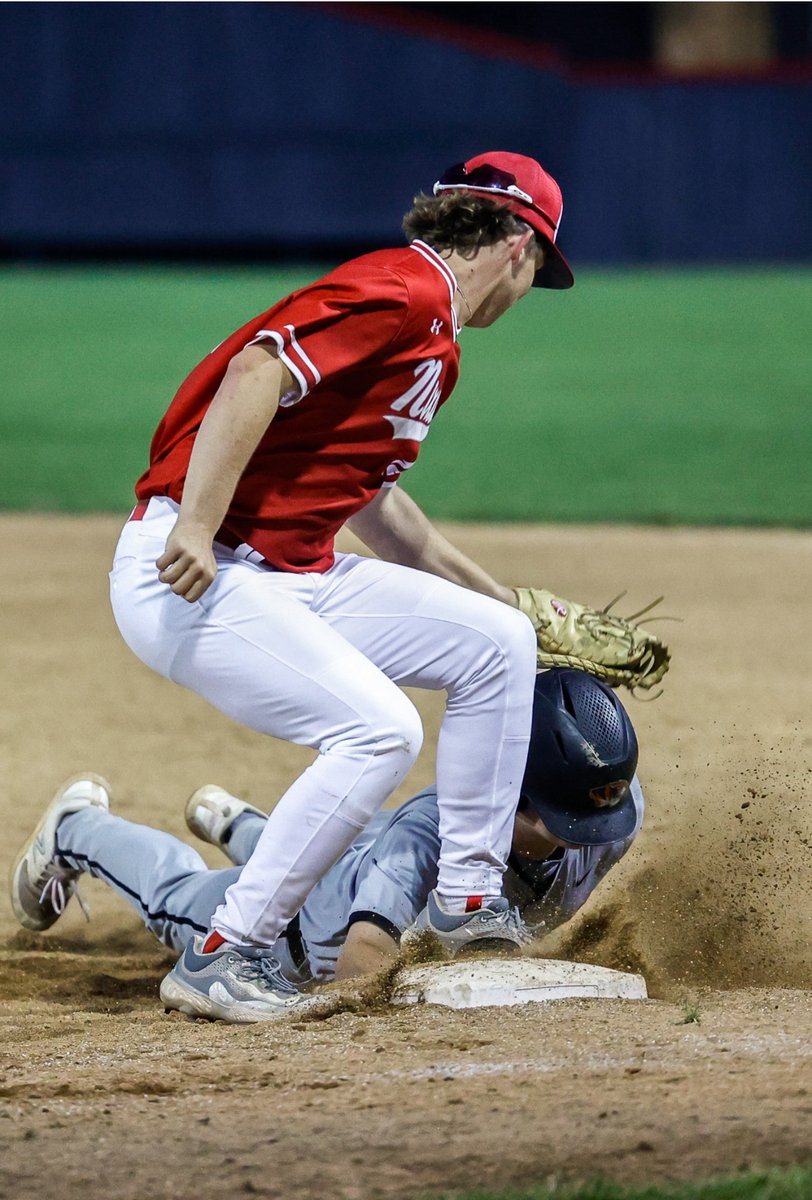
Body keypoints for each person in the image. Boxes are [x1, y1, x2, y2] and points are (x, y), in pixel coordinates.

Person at [106, 150, 581, 1020]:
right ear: (519, 244)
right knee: (379, 732)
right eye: (540, 270)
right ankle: (225, 952)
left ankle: (469, 902)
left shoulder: (435, 332)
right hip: (191, 574)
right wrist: (197, 526)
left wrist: (505, 599)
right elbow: (257, 370)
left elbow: (376, 505)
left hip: (288, 574)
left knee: (496, 644)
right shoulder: (405, 292)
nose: (529, 291)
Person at [11, 670, 643, 1023]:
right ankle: (76, 828)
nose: (589, 838)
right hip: (297, 925)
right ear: (505, 791)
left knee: (356, 845)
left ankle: (244, 825)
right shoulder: (430, 833)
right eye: (563, 821)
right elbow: (359, 957)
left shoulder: (613, 806)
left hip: (365, 853)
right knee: (175, 896)